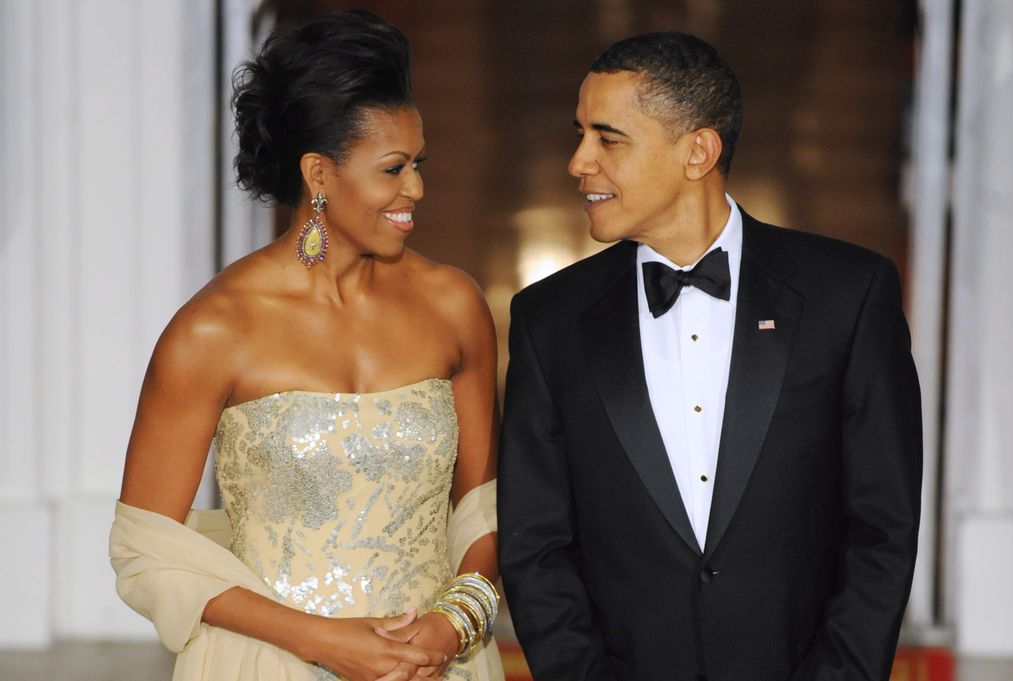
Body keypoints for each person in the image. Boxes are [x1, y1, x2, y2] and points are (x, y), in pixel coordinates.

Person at [498, 31, 922, 681]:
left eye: (608, 138)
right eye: (579, 134)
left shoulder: (849, 294)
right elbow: (535, 546)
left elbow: (882, 526)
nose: (579, 160)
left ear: (698, 150)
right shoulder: (547, 319)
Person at [109, 11, 503, 681]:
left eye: (419, 163)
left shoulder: (453, 306)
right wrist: (321, 639)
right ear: (319, 174)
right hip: (268, 663)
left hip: (437, 665)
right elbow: (146, 548)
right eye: (394, 168)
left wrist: (455, 619)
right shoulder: (213, 330)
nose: (416, 189)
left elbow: (484, 504)